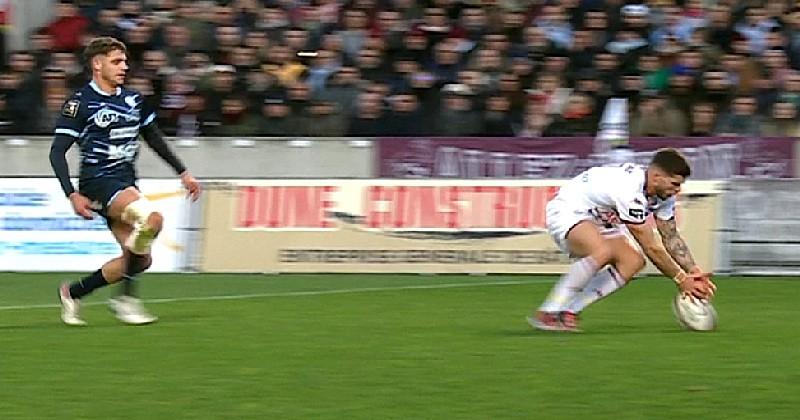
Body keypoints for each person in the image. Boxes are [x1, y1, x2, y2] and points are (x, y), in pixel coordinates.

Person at [49, 37, 201, 326]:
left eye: (125, 61)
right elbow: (57, 152)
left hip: (126, 183)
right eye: (117, 61)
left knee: (139, 260)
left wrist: (183, 172)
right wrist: (71, 194)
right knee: (153, 220)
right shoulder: (80, 103)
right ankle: (126, 300)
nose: (124, 67)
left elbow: (154, 138)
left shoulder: (133, 100)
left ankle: (73, 291)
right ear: (98, 64)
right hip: (98, 182)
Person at [530, 148, 716, 332]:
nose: (677, 190)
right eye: (675, 184)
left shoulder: (664, 196)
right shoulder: (630, 191)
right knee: (602, 251)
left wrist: (694, 271)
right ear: (657, 177)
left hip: (601, 217)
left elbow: (670, 236)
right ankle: (549, 311)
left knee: (632, 262)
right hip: (569, 210)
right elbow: (651, 246)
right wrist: (681, 279)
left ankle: (569, 312)